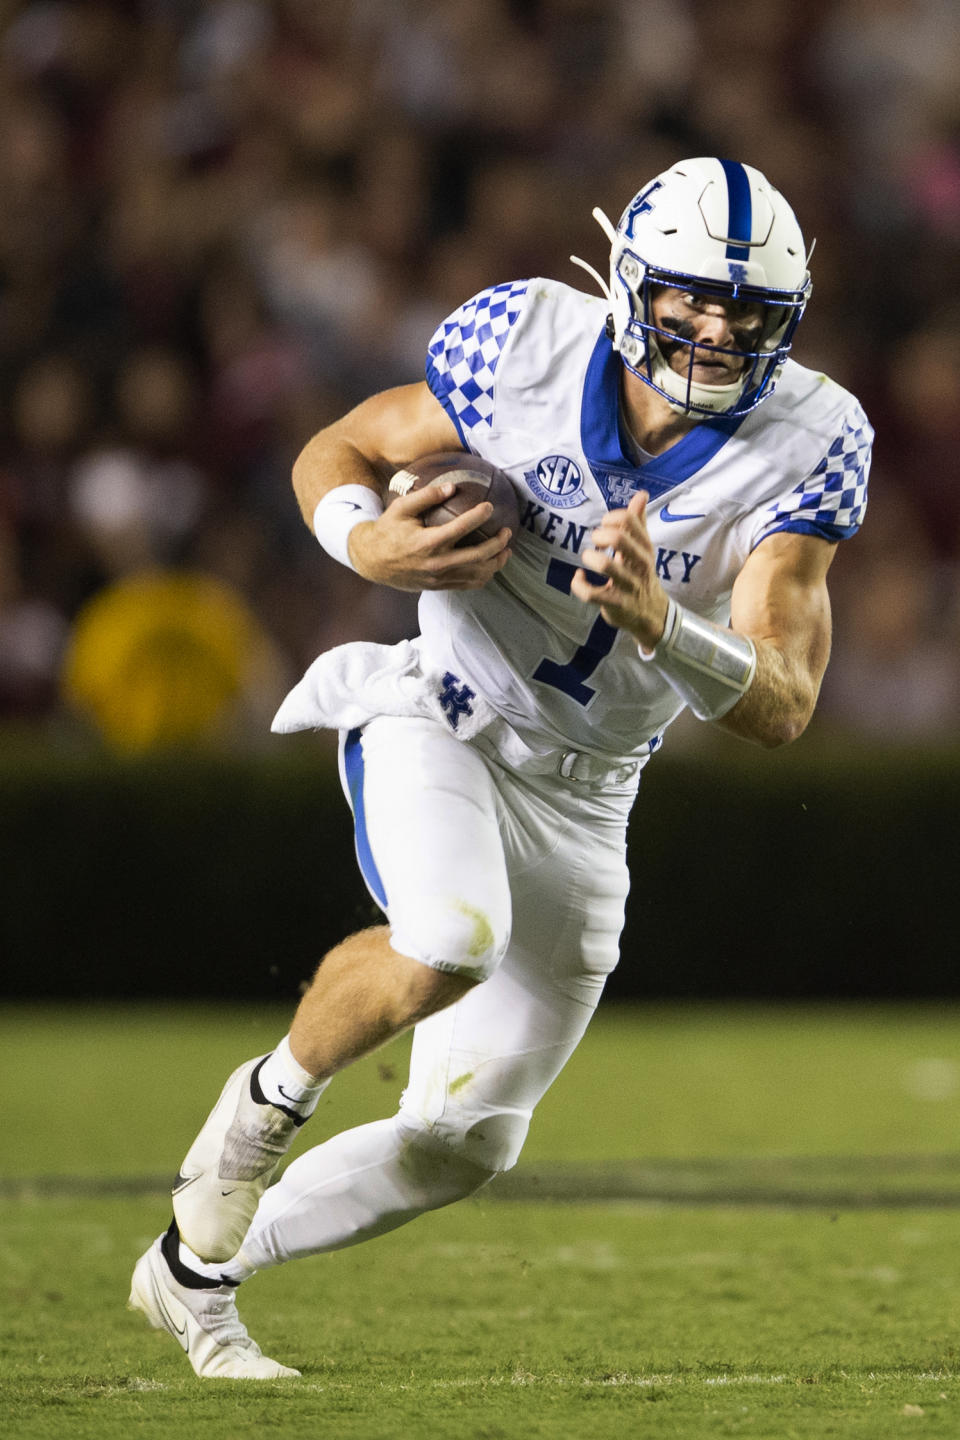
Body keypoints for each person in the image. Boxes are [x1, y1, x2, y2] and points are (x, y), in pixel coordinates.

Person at [128, 157, 871, 1378]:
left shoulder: (811, 437)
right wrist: (368, 542)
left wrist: (662, 623)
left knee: (465, 1143)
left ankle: (194, 1270)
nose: (721, 329)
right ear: (635, 282)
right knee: (451, 938)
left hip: (590, 792)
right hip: (450, 714)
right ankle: (261, 1108)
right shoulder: (520, 344)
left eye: (750, 311)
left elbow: (785, 702)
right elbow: (347, 443)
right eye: (695, 297)